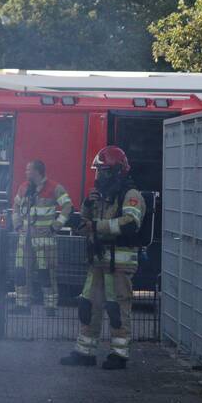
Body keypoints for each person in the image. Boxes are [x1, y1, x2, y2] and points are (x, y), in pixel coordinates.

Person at [61, 146, 146, 370]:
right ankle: (85, 352)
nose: (99, 176)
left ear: (117, 170)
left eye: (104, 171)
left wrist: (97, 226)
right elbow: (86, 223)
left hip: (119, 262)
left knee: (117, 307)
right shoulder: (99, 196)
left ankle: (119, 354)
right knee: (87, 304)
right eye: (98, 171)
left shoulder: (131, 195)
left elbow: (130, 224)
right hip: (98, 261)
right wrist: (86, 207)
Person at [11, 160, 72, 316]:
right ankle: (22, 305)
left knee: (47, 273)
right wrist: (17, 225)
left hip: (45, 241)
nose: (26, 172)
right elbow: (16, 206)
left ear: (37, 172)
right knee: (21, 271)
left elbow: (67, 206)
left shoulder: (54, 187)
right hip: (24, 239)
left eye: (28, 169)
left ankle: (50, 307)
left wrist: (55, 226)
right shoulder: (24, 187)